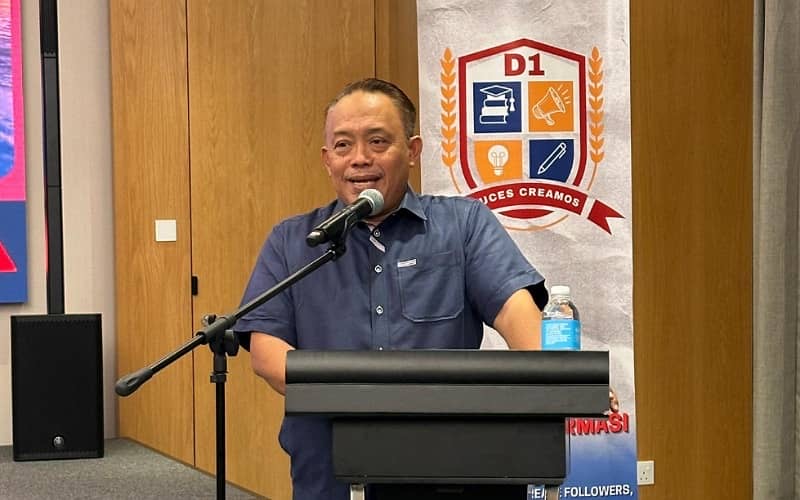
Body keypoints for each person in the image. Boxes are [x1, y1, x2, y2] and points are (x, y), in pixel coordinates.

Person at [234, 78, 547, 500]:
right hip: (330, 467)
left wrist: (560, 378)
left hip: (448, 466)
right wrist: (362, 401)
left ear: (413, 151)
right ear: (327, 160)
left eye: (378, 141)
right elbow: (266, 350)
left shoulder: (464, 224)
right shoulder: (293, 241)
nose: (360, 158)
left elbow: (514, 309)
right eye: (343, 145)